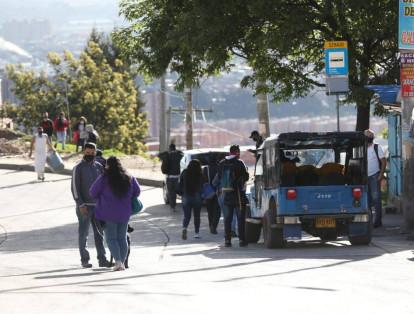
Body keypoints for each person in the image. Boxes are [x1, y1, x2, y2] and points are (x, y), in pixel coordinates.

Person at [90, 156, 141, 271]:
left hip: (108, 213)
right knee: (122, 238)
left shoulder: (104, 178)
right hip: (124, 213)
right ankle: (121, 262)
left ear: (108, 166)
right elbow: (137, 191)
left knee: (111, 239)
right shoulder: (129, 177)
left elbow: (93, 192)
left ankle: (118, 262)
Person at [71, 142, 110, 268]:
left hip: (98, 207)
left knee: (100, 233)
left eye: (92, 153)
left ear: (95, 152)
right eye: (87, 152)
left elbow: (104, 186)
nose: (90, 155)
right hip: (84, 207)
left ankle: (102, 259)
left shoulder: (99, 166)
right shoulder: (78, 168)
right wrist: (80, 204)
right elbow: (75, 188)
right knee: (83, 234)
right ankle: (85, 259)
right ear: (84, 152)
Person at [217, 144, 249, 247]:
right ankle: (242, 240)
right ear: (237, 152)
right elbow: (246, 176)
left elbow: (219, 178)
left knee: (227, 218)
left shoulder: (221, 163)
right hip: (238, 195)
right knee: (240, 218)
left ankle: (227, 240)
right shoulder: (239, 163)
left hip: (225, 194)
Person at [364, 129, 386, 228]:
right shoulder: (361, 149)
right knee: (367, 200)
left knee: (376, 199)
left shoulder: (376, 147)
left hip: (374, 176)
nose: (369, 137)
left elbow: (384, 162)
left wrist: (381, 175)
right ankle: (369, 222)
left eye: (370, 135)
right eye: (367, 135)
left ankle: (377, 222)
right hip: (364, 178)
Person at [179, 159, 204, 240]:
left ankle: (184, 228)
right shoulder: (200, 174)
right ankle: (197, 233)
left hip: (186, 196)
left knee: (187, 216)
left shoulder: (184, 172)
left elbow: (180, 183)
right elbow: (202, 185)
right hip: (197, 196)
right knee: (197, 216)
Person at [161, 143, 184, 212]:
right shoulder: (178, 155)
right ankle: (183, 204)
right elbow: (182, 153)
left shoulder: (167, 155)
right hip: (177, 177)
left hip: (169, 177)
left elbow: (160, 155)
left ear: (170, 148)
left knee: (171, 192)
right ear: (175, 148)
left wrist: (167, 152)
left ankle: (173, 206)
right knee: (179, 191)